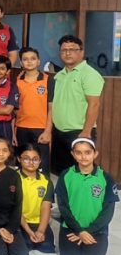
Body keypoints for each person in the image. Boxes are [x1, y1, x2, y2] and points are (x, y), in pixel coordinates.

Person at [55, 138, 118, 255]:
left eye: (87, 152)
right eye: (78, 152)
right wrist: (79, 231)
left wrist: (86, 232)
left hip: (97, 231)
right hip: (70, 229)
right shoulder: (66, 175)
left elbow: (108, 211)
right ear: (73, 154)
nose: (83, 156)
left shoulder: (106, 178)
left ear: (95, 154)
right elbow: (63, 207)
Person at [51, 35, 104, 174]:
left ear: (81, 52)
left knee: (84, 171)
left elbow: (94, 104)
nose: (67, 53)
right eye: (64, 50)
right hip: (59, 132)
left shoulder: (89, 74)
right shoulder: (59, 75)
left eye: (72, 49)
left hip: (79, 132)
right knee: (63, 173)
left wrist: (86, 132)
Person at [15, 47, 54, 174]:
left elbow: (51, 108)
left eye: (33, 59)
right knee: (23, 165)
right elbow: (13, 109)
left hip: (41, 129)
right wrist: (13, 131)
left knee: (42, 167)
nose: (29, 62)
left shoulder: (48, 80)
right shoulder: (17, 80)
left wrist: (48, 131)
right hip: (21, 127)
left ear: (38, 61)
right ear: (21, 63)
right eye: (25, 59)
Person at [17, 144, 55, 254]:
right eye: (26, 159)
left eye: (35, 159)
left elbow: (45, 207)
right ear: (19, 159)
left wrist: (41, 231)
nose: (31, 162)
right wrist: (29, 231)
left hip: (38, 223)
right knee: (25, 247)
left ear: (40, 161)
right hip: (20, 223)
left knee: (47, 248)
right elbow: (15, 208)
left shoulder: (46, 181)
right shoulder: (14, 178)